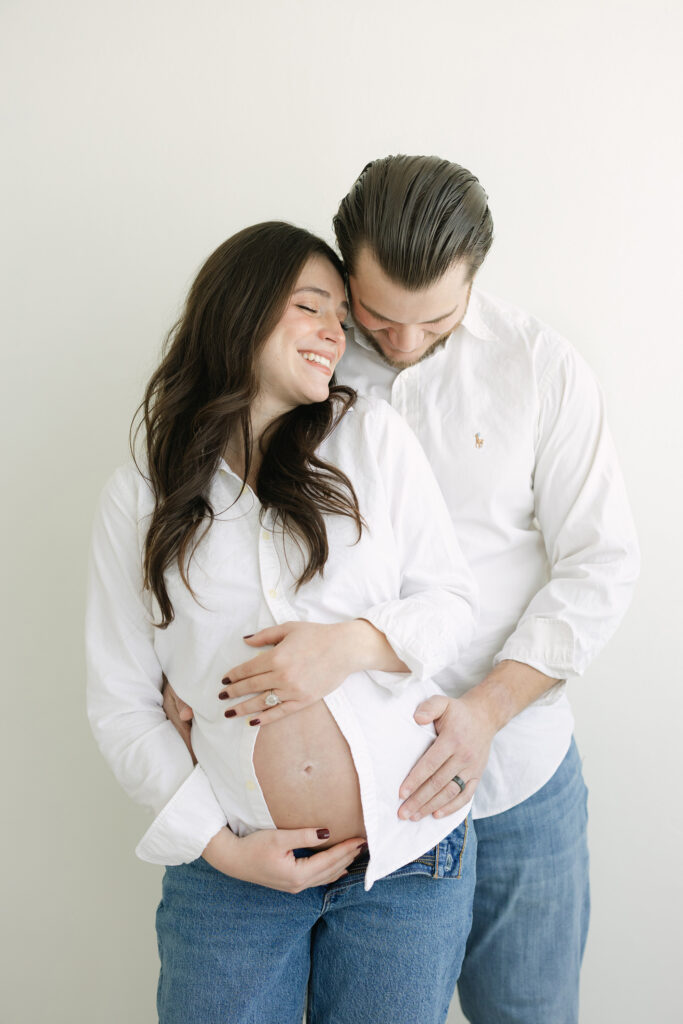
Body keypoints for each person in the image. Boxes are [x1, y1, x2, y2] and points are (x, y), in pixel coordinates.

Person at [166, 157, 640, 1023]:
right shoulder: (302, 356)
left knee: (527, 1012)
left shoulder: (541, 369)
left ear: (474, 280)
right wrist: (182, 660)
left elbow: (599, 564)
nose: (403, 344)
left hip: (513, 783)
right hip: (339, 816)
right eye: (378, 318)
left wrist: (488, 710)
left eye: (436, 322)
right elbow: (214, 519)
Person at [86, 221, 481, 1024]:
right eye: (312, 307)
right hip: (232, 873)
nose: (335, 333)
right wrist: (221, 847)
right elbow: (120, 703)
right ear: (239, 310)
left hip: (404, 865)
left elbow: (452, 606)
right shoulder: (142, 495)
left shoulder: (370, 438)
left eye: (341, 315)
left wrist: (350, 646)